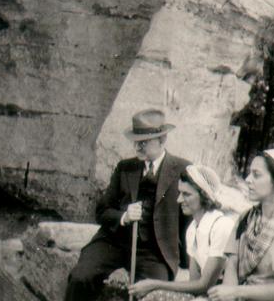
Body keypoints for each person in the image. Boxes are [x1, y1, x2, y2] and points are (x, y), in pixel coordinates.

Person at [65, 109, 191, 301]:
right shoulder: (125, 168)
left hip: (155, 250)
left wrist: (187, 261)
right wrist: (123, 216)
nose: (138, 148)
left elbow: (189, 218)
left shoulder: (182, 169)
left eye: (144, 142)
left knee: (155, 296)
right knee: (80, 277)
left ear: (162, 140)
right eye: (136, 142)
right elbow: (101, 211)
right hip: (114, 242)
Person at [208, 149, 274, 301]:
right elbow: (232, 264)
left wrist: (236, 292)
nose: (247, 179)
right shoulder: (246, 217)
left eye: (256, 175)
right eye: (249, 173)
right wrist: (229, 295)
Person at [129, 164, 235, 301]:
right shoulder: (192, 229)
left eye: (186, 194)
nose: (179, 200)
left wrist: (154, 284)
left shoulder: (221, 226)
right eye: (180, 193)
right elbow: (194, 284)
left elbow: (205, 285)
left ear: (205, 196)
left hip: (226, 297)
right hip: (206, 295)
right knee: (153, 297)